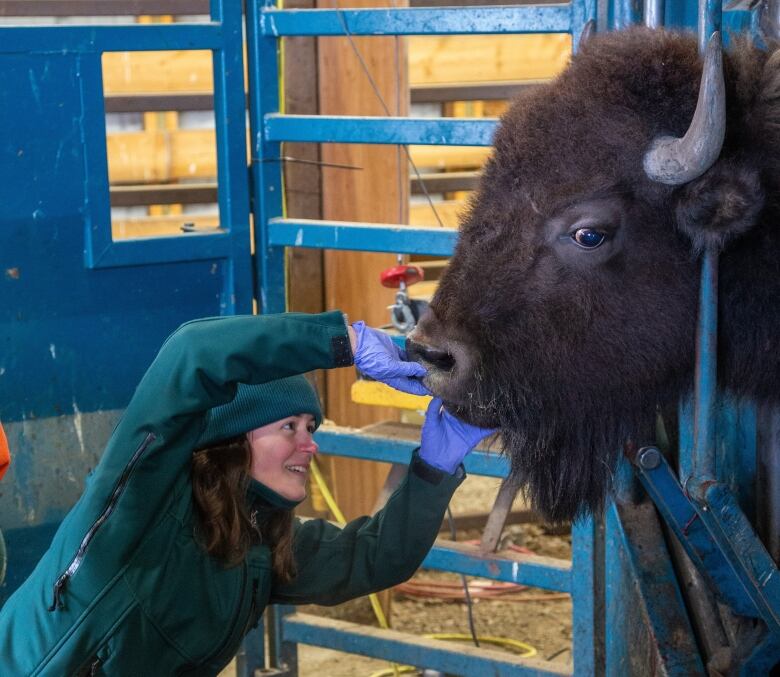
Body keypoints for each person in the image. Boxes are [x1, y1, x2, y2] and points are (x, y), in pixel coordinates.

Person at [0, 311, 493, 676]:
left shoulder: (260, 540)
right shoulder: (137, 507)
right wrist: (344, 340)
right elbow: (192, 354)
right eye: (289, 427)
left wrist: (434, 466)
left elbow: (373, 558)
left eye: (311, 426)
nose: (310, 443)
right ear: (233, 440)